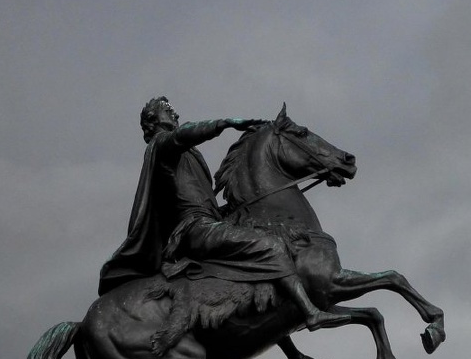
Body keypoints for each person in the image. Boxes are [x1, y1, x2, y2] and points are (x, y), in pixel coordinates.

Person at [98, 97, 341, 332]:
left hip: (207, 221)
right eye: (168, 110)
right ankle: (311, 313)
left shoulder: (187, 153)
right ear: (153, 121)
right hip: (195, 228)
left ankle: (289, 348)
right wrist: (224, 123)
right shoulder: (162, 145)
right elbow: (183, 135)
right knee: (271, 246)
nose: (175, 114)